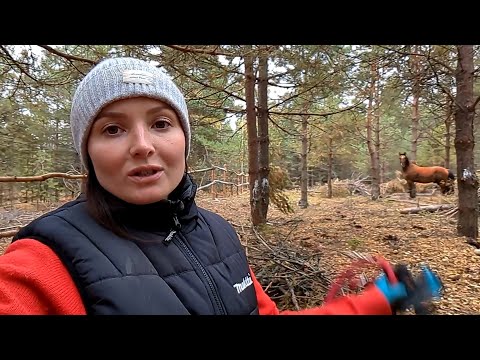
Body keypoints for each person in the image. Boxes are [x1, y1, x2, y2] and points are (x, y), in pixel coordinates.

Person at [0, 57, 442, 315]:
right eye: (112, 130)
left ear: (184, 140)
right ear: (88, 152)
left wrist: (376, 301)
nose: (142, 145)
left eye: (160, 123)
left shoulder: (217, 234)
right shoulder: (45, 259)